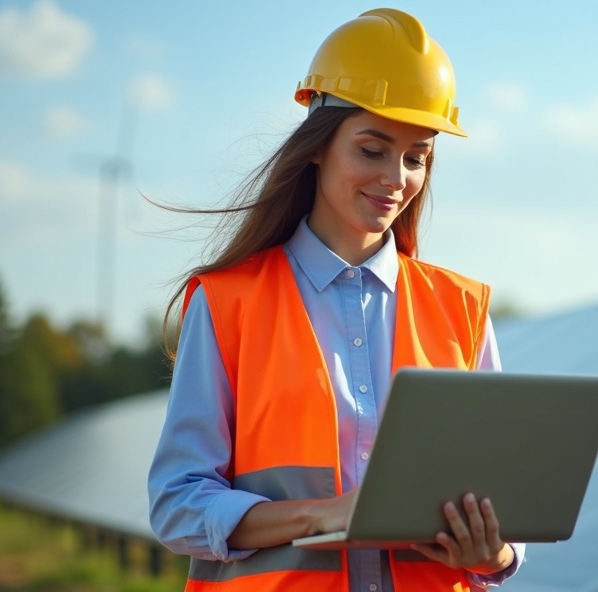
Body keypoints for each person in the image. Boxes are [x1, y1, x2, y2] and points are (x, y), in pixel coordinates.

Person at [147, 8, 524, 591]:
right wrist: (327, 515)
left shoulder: (463, 310)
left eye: (416, 157)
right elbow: (177, 505)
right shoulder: (229, 303)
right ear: (319, 146)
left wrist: (494, 554)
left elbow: (502, 515)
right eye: (372, 149)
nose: (396, 178)